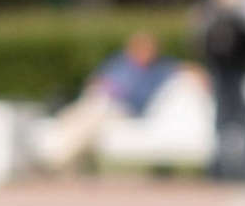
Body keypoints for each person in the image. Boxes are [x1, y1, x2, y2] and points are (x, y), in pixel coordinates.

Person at [35, 25, 173, 172]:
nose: (142, 52)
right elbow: (96, 79)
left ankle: (56, 159)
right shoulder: (119, 63)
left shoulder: (159, 70)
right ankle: (56, 156)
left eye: (146, 48)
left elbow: (184, 70)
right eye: (138, 48)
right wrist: (101, 86)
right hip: (100, 101)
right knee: (73, 116)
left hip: (124, 109)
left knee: (90, 119)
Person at [196, 0, 245, 183]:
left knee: (243, 120)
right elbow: (203, 44)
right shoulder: (208, 15)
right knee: (221, 120)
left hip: (240, 74)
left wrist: (239, 17)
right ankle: (220, 168)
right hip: (220, 74)